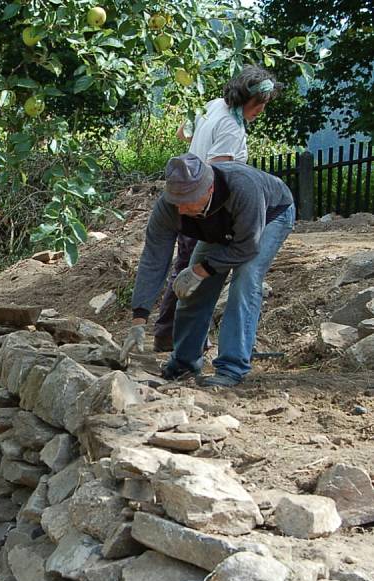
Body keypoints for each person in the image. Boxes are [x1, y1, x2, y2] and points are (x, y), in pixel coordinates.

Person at [120, 153, 295, 387]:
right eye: (176, 201)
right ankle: (184, 363)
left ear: (208, 189)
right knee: (193, 289)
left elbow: (246, 247)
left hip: (271, 214)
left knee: (245, 279)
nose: (180, 209)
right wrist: (139, 318)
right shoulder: (170, 207)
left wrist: (202, 270)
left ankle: (231, 368)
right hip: (219, 226)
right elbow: (153, 258)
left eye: (188, 200)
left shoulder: (243, 188)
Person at [153, 66, 281, 352]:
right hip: (204, 207)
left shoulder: (213, 106)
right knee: (195, 271)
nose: (261, 110)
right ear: (249, 100)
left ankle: (168, 333)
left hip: (187, 195)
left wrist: (200, 140)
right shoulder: (232, 129)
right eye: (260, 103)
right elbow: (220, 176)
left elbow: (181, 133)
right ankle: (178, 337)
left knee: (184, 267)